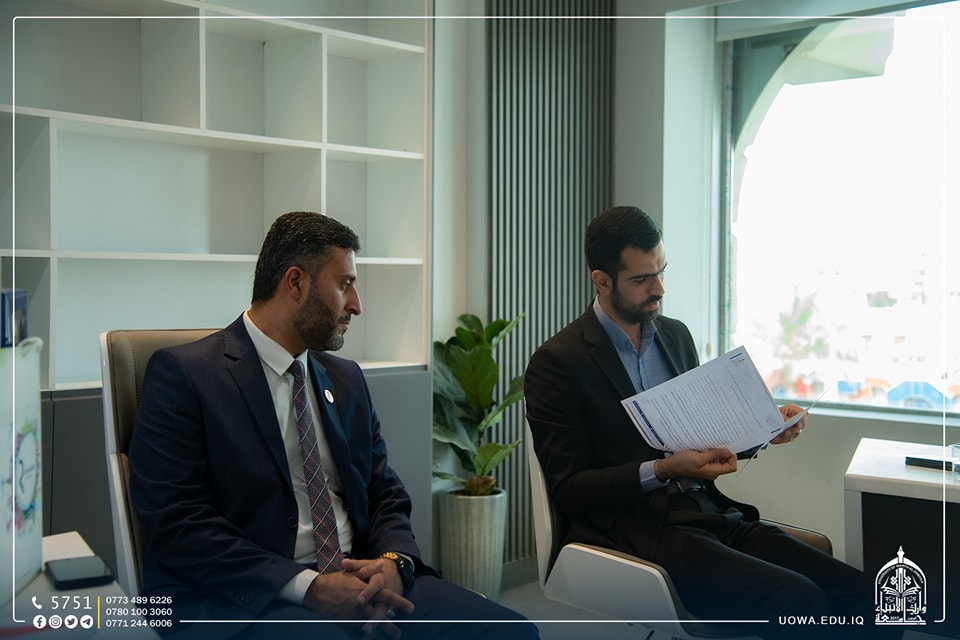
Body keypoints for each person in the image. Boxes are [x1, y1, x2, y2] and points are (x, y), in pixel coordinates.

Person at [130, 211, 537, 640]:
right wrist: (308, 587)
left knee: (511, 632)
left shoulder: (346, 379)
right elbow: (178, 521)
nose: (356, 304)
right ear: (296, 283)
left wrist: (394, 562)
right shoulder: (186, 375)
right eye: (345, 284)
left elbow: (384, 491)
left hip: (361, 575)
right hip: (251, 596)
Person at [524, 206, 889, 640]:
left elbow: (701, 435)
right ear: (602, 281)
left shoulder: (675, 336)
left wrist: (765, 431)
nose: (659, 288)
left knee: (869, 597)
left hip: (708, 511)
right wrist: (663, 469)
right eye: (642, 279)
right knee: (797, 600)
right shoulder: (558, 363)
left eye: (661, 271)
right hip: (634, 527)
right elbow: (569, 488)